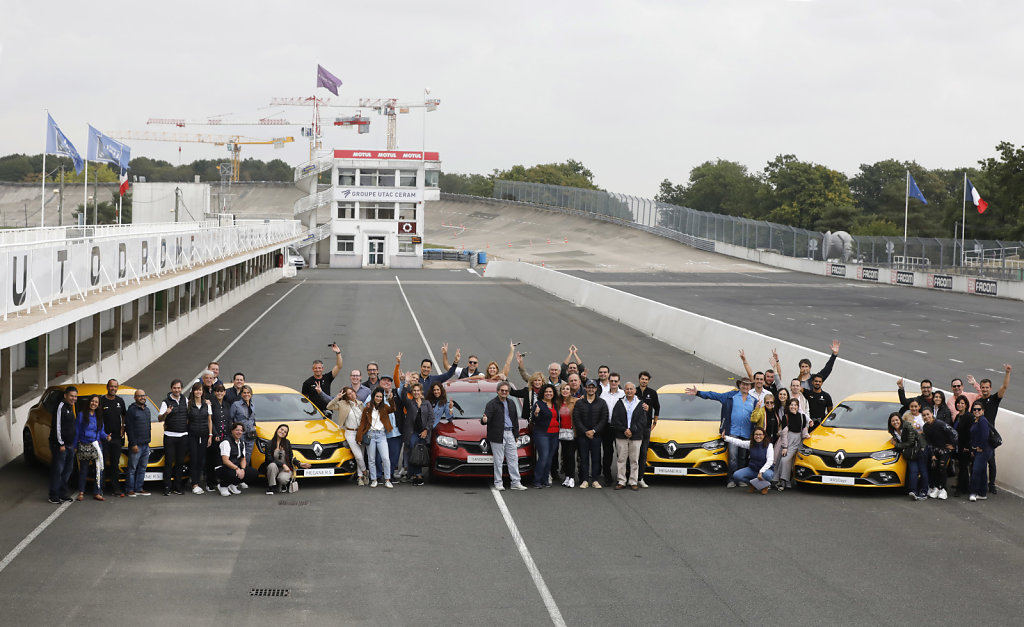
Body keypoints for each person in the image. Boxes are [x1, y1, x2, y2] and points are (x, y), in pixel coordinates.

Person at [686, 378, 756, 488]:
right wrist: (698, 393)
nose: (745, 387)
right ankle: (731, 479)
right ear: (739, 385)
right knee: (732, 457)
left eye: (748, 385)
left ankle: (740, 479)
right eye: (743, 384)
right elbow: (714, 395)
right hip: (732, 432)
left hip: (746, 434)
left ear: (751, 387)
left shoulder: (754, 400)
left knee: (742, 458)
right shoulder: (730, 396)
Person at [481, 381, 527, 491]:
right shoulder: (491, 404)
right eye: (502, 390)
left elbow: (515, 420)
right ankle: (498, 483)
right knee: (498, 460)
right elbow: (486, 419)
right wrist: (484, 420)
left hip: (510, 433)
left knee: (513, 459)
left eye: (506, 391)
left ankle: (516, 482)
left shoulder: (511, 403)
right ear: (498, 391)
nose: (504, 392)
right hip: (497, 435)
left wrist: (516, 434)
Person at [975, 365, 1011, 494]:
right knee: (978, 461)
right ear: (980, 388)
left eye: (987, 387)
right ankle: (979, 483)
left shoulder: (994, 399)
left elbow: (1004, 387)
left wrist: (1007, 372)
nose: (984, 389)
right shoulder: (977, 402)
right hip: (979, 435)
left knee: (991, 462)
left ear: (990, 388)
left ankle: (991, 484)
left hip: (990, 436)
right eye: (982, 387)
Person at [611, 382, 647, 491]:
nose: (629, 391)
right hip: (621, 436)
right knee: (621, 459)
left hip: (636, 436)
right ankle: (621, 481)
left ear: (635, 391)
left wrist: (632, 430)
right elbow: (615, 419)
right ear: (624, 391)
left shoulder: (641, 404)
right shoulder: (619, 403)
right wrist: (624, 430)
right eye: (627, 389)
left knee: (634, 460)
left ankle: (633, 481)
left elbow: (643, 421)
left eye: (631, 389)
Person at [358, 389, 397, 488]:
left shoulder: (384, 407)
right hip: (370, 435)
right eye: (377, 396)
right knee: (371, 459)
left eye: (380, 397)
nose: (379, 398)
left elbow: (393, 409)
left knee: (385, 458)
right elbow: (363, 423)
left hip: (381, 435)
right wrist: (359, 437)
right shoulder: (367, 409)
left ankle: (387, 480)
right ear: (373, 397)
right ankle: (374, 479)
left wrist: (391, 399)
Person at [573, 379, 608, 489]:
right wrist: (585, 431)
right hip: (583, 436)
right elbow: (576, 418)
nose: (591, 389)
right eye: (589, 387)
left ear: (596, 389)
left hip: (596, 436)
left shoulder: (602, 403)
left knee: (596, 458)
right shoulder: (579, 402)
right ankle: (584, 480)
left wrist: (593, 431)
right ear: (586, 388)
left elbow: (604, 419)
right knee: (583, 458)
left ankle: (595, 480)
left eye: (593, 387)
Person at [328, 387, 366, 485]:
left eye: (352, 392)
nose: (352, 394)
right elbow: (329, 406)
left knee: (361, 454)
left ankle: (360, 477)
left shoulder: (361, 404)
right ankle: (366, 473)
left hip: (360, 433)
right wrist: (337, 397)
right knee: (358, 456)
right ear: (346, 396)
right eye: (349, 394)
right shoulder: (342, 404)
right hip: (350, 433)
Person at [74, 395, 109, 501]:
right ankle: (81, 492)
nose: (94, 403)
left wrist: (107, 436)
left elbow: (101, 432)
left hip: (96, 445)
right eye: (92, 401)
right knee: (83, 470)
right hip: (84, 445)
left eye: (96, 402)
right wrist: (75, 446)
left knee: (99, 469)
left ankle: (97, 492)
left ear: (98, 405)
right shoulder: (81, 415)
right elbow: (77, 431)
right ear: (89, 402)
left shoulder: (99, 416)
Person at [48, 386, 79, 504]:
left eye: (75, 396)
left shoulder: (70, 406)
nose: (74, 398)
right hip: (61, 446)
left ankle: (62, 493)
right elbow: (57, 426)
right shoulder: (60, 407)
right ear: (65, 395)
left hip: (70, 445)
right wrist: (61, 443)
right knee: (58, 470)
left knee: (68, 470)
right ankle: (53, 495)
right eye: (72, 396)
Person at [158, 379, 188, 496]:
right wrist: (167, 413)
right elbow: (160, 418)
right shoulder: (165, 402)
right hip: (170, 436)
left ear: (181, 389)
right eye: (175, 388)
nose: (177, 390)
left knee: (180, 462)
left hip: (183, 436)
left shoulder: (185, 400)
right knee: (169, 462)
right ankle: (166, 487)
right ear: (171, 389)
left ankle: (177, 487)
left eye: (179, 388)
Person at [723, 427, 775, 494]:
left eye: (760, 434)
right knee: (736, 475)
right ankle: (753, 484)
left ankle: (765, 486)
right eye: (756, 434)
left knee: (767, 476)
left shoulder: (769, 445)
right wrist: (726, 438)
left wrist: (761, 471)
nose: (758, 436)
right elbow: (739, 442)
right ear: (753, 436)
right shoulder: (750, 444)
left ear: (764, 436)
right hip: (753, 469)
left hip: (765, 471)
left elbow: (770, 461)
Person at [888, 412, 927, 501]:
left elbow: (911, 442)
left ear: (900, 420)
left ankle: (924, 492)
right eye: (893, 421)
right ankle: (914, 491)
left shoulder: (907, 426)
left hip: (920, 449)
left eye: (897, 420)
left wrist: (897, 444)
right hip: (910, 452)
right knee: (913, 471)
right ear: (890, 423)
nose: (895, 422)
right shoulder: (892, 431)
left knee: (922, 471)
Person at [401, 380, 432, 486]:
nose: (416, 392)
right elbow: (403, 396)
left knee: (420, 453)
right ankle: (417, 475)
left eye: (418, 390)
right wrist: (405, 384)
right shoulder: (410, 403)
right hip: (412, 432)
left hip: (423, 432)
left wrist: (426, 430)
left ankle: (414, 473)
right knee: (413, 451)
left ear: (421, 392)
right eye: (414, 390)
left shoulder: (426, 403)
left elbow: (431, 418)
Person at [263, 424, 310, 494]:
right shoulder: (269, 443)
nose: (282, 432)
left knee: (282, 479)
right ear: (277, 429)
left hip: (286, 468)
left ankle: (283, 484)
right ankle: (271, 487)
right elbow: (269, 459)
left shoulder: (287, 443)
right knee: (271, 465)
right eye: (281, 429)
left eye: (285, 432)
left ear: (286, 434)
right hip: (275, 467)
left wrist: (300, 464)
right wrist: (283, 465)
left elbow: (291, 457)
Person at [99, 379, 127, 497]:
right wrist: (102, 434)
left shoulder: (120, 401)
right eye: (111, 386)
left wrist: (123, 427)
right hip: (104, 437)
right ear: (107, 387)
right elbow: (97, 418)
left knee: (115, 464)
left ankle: (115, 488)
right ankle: (101, 488)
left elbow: (124, 415)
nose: (113, 389)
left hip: (116, 438)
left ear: (117, 388)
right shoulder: (101, 400)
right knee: (102, 463)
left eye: (115, 387)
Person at [184, 381, 213, 495]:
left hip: (205, 435)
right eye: (196, 389)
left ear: (202, 392)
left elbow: (209, 420)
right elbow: (187, 421)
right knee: (194, 459)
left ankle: (197, 481)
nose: (198, 392)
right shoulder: (189, 404)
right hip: (192, 436)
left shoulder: (207, 404)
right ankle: (194, 484)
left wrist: (210, 435)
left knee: (201, 460)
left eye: (200, 390)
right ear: (193, 391)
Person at [775, 397, 809, 490]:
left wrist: (807, 436)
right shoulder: (785, 417)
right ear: (789, 406)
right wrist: (785, 446)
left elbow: (804, 429)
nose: (793, 407)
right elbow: (784, 433)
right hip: (787, 440)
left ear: (798, 407)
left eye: (795, 405)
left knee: (786, 460)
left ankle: (785, 481)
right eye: (791, 405)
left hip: (797, 441)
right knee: (784, 460)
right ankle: (784, 482)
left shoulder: (802, 417)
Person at [922, 407, 955, 500]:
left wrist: (953, 445)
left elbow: (953, 433)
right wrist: (932, 454)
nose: (926, 416)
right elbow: (929, 442)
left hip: (945, 449)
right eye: (924, 415)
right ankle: (936, 487)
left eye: (928, 414)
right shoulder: (925, 427)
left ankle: (943, 489)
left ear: (932, 414)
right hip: (935, 449)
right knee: (934, 467)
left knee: (942, 467)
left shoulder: (940, 423)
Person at [124, 389, 152, 497]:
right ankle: (129, 489)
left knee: (142, 468)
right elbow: (129, 428)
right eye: (139, 396)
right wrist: (133, 443)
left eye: (143, 395)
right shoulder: (131, 410)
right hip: (136, 445)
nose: (142, 397)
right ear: (135, 398)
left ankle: (139, 488)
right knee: (132, 469)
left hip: (146, 444)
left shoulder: (147, 410)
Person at [301, 342, 343, 414]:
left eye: (319, 368)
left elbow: (339, 366)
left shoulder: (327, 378)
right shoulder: (307, 382)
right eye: (316, 368)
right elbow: (304, 399)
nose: (318, 370)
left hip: (327, 412)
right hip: (313, 414)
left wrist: (338, 352)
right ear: (313, 369)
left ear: (322, 369)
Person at [530, 384, 559, 488]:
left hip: (554, 434)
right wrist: (536, 414)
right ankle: (536, 480)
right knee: (543, 456)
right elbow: (533, 420)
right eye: (546, 392)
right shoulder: (538, 404)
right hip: (542, 434)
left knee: (550, 458)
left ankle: (545, 479)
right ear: (542, 393)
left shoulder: (555, 404)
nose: (548, 393)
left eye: (550, 392)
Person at [215, 422, 254, 496]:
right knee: (233, 474)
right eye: (237, 430)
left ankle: (233, 484)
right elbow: (225, 460)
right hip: (222, 467)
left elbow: (243, 458)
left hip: (234, 466)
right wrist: (237, 469)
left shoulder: (241, 442)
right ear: (232, 430)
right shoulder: (226, 442)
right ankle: (222, 486)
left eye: (241, 430)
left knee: (253, 473)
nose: (239, 432)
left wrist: (242, 469)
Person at [635, 371, 660, 489]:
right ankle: (631, 477)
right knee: (634, 453)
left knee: (643, 453)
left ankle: (641, 478)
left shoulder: (652, 393)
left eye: (646, 379)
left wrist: (654, 422)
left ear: (648, 381)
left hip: (646, 428)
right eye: (642, 379)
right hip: (635, 427)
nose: (644, 381)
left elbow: (657, 408)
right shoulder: (634, 391)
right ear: (639, 379)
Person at [600, 373, 625, 486]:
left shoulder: (623, 394)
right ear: (609, 382)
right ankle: (607, 476)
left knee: (621, 453)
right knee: (607, 452)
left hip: (619, 427)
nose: (614, 383)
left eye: (616, 381)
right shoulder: (603, 395)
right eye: (612, 381)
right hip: (607, 427)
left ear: (619, 382)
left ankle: (621, 477)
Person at [229, 385, 257, 480]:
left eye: (248, 393)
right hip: (240, 434)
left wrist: (254, 426)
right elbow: (231, 419)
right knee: (238, 455)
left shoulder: (252, 405)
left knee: (247, 457)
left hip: (251, 435)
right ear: (241, 394)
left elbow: (253, 418)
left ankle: (243, 477)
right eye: (244, 392)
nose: (246, 394)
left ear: (251, 394)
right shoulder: (236, 404)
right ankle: (235, 477)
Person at [207, 383, 231, 492]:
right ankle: (210, 482)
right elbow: (210, 421)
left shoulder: (226, 404)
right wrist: (215, 434)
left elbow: (228, 420)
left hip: (225, 437)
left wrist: (229, 434)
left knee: (224, 460)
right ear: (215, 393)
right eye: (217, 391)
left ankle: (222, 481)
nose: (219, 393)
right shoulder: (211, 405)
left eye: (221, 391)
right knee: (213, 461)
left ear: (224, 393)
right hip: (215, 437)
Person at [968, 401, 993, 502]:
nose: (976, 411)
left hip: (984, 450)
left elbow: (985, 435)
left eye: (979, 409)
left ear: (983, 411)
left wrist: (980, 447)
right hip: (979, 449)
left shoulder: (982, 420)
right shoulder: (976, 420)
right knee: (982, 472)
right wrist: (974, 448)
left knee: (976, 471)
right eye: (974, 409)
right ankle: (982, 493)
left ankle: (973, 492)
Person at [554, 382, 578, 488]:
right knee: (564, 455)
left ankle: (572, 477)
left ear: (570, 391)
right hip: (561, 432)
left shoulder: (575, 401)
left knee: (570, 455)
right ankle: (567, 477)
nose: (565, 391)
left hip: (572, 432)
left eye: (567, 389)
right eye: (563, 389)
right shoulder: (557, 402)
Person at [953, 395, 973, 497]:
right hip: (958, 446)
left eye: (962, 403)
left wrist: (967, 446)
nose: (960, 405)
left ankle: (960, 489)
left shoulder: (969, 416)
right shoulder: (958, 416)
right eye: (958, 403)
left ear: (966, 405)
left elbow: (970, 433)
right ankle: (964, 487)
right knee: (960, 466)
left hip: (965, 447)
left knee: (963, 468)